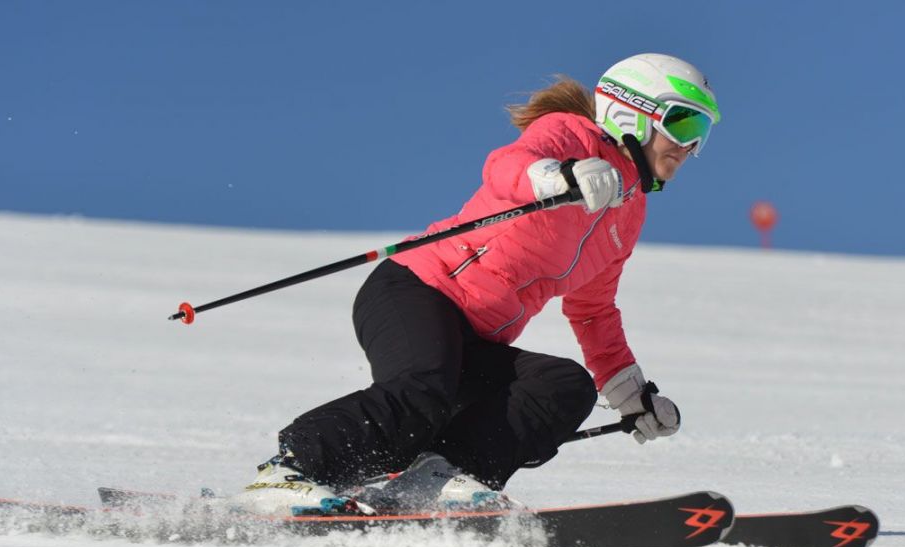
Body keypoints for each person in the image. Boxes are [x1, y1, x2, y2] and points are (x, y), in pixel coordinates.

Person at [232, 53, 721, 515]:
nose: (690, 148)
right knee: (422, 391)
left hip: (476, 337)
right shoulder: (570, 134)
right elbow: (507, 166)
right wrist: (559, 176)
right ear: (632, 112)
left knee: (563, 386)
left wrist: (631, 393)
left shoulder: (628, 213)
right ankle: (290, 471)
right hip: (417, 290)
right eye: (683, 124)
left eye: (702, 135)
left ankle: (438, 479)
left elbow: (593, 310)